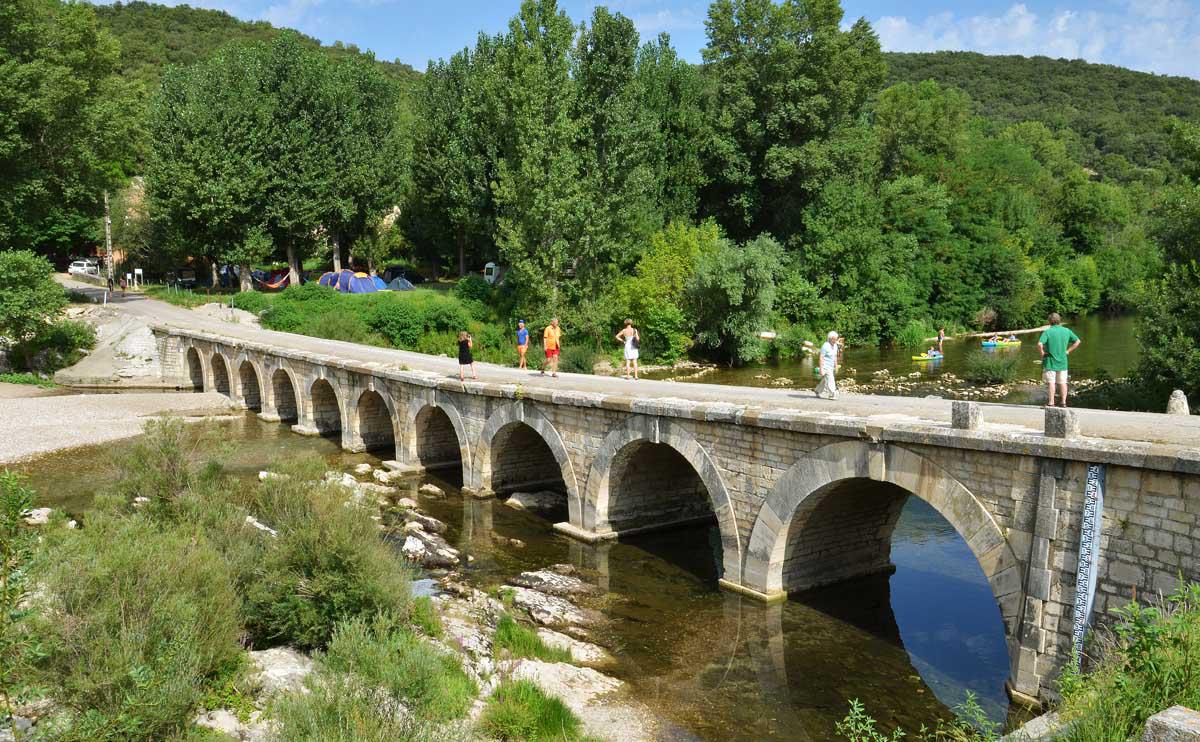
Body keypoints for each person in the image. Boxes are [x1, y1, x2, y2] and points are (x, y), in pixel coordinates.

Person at [1037, 312, 1081, 408]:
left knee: (1051, 382)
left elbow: (1039, 344)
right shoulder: (1066, 331)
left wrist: (1042, 354)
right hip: (1063, 361)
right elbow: (1078, 341)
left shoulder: (1047, 332)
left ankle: (1051, 403)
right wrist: (1068, 351)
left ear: (1049, 321)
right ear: (1059, 320)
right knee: (1062, 382)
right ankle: (1063, 403)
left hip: (1050, 361)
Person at [815, 331, 841, 399]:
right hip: (825, 366)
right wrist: (821, 369)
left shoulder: (835, 346)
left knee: (824, 380)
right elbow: (821, 358)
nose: (835, 340)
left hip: (831, 366)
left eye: (836, 338)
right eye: (834, 339)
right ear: (830, 338)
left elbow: (835, 356)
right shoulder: (825, 346)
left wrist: (836, 366)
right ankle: (832, 394)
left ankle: (817, 391)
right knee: (830, 379)